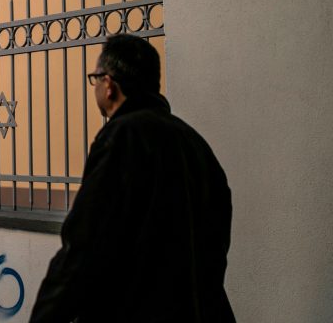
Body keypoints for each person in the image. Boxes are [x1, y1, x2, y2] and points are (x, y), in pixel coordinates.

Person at [30, 34, 235, 323]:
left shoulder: (122, 137)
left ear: (109, 84)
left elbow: (85, 245)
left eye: (95, 78)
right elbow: (217, 240)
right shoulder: (194, 143)